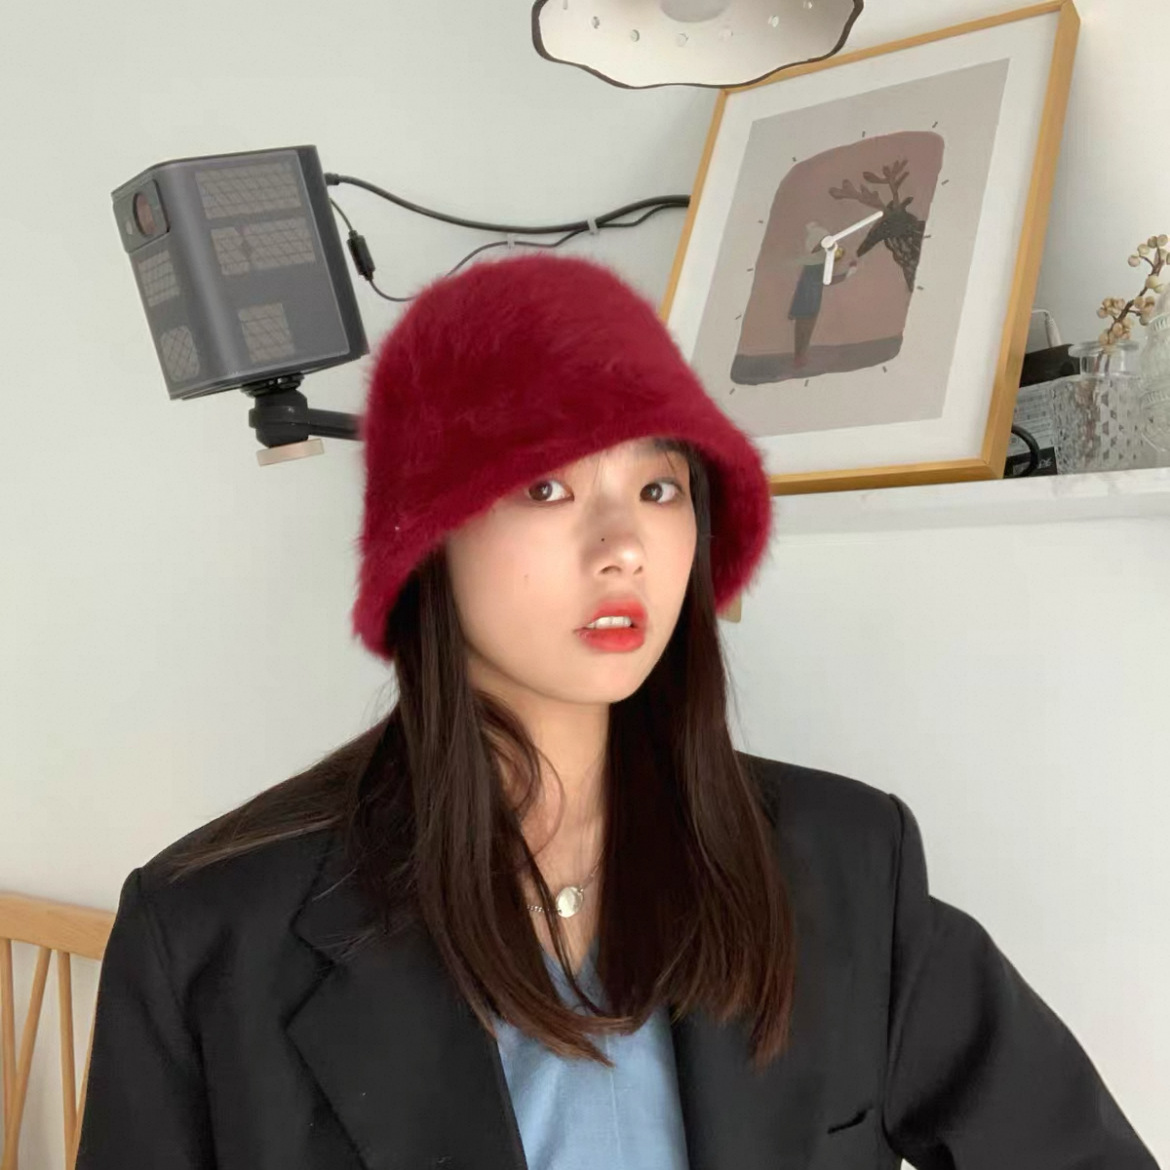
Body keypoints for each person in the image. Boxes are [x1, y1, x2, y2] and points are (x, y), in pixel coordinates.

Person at [75, 253, 1159, 1170]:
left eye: (659, 488)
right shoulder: (209, 930)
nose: (624, 547)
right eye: (546, 487)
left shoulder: (846, 863)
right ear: (429, 538)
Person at [788, 220, 859, 368]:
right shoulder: (817, 264)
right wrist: (848, 273)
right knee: (804, 329)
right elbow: (827, 280)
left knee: (803, 329)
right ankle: (799, 356)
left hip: (806, 299)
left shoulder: (815, 262)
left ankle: (799, 356)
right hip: (809, 300)